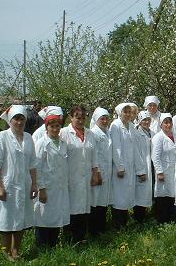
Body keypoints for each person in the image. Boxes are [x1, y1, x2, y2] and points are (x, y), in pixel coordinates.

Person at [0, 105, 38, 261]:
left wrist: (34, 184)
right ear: (10, 120)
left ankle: (16, 251)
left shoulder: (28, 137)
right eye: (16, 118)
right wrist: (0, 186)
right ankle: (6, 253)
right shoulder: (1, 137)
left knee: (20, 219)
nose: (19, 122)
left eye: (22, 118)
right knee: (7, 220)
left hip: (24, 184)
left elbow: (33, 163)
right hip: (8, 184)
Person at [60, 105, 99, 242]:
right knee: (71, 206)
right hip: (71, 176)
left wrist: (95, 173)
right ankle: (70, 236)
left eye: (83, 118)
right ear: (71, 118)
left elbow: (94, 155)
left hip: (86, 176)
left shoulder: (90, 133)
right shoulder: (64, 133)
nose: (81, 121)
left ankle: (81, 236)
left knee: (84, 206)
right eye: (78, 118)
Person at [34, 114, 69, 247]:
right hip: (46, 187)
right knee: (44, 217)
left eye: (57, 126)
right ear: (46, 127)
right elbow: (36, 167)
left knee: (56, 216)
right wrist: (41, 188)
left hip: (59, 187)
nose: (55, 129)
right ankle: (42, 245)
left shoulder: (63, 143)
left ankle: (53, 244)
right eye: (52, 126)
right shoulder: (41, 143)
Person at [110, 103, 146, 229]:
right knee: (119, 197)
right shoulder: (115, 125)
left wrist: (140, 169)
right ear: (120, 112)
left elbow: (135, 149)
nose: (129, 114)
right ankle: (117, 225)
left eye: (130, 112)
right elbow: (116, 148)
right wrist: (120, 167)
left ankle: (124, 223)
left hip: (130, 167)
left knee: (126, 196)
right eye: (126, 112)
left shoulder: (131, 126)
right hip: (120, 168)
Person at [89, 107, 112, 236]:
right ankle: (94, 230)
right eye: (102, 119)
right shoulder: (94, 133)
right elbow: (94, 155)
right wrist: (97, 173)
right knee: (96, 201)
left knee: (103, 201)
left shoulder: (107, 132)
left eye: (106, 118)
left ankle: (102, 227)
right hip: (98, 172)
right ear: (96, 120)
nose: (104, 121)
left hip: (107, 171)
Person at [152, 113, 176, 223]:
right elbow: (155, 156)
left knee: (171, 194)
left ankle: (170, 218)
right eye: (165, 122)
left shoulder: (175, 135)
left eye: (169, 122)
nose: (168, 124)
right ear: (161, 124)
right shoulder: (158, 137)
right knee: (162, 195)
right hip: (163, 171)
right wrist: (159, 171)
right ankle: (161, 219)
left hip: (173, 171)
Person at [134, 111, 154, 223]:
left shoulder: (153, 133)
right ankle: (138, 219)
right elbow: (136, 154)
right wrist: (140, 171)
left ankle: (145, 215)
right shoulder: (137, 134)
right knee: (140, 194)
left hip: (151, 166)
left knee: (147, 193)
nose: (146, 122)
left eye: (148, 120)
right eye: (144, 120)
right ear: (140, 121)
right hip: (142, 167)